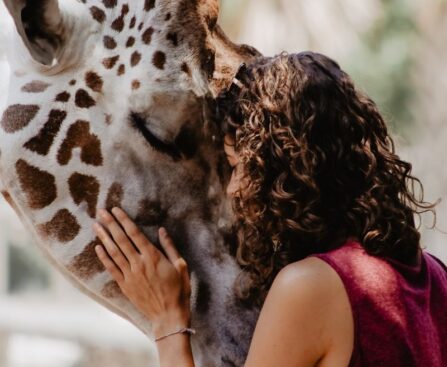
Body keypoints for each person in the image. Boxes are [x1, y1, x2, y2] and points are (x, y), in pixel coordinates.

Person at [92, 52, 447, 367]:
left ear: (288, 169)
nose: (234, 189)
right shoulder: (435, 276)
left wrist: (168, 322)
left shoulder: (311, 287)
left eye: (240, 165)